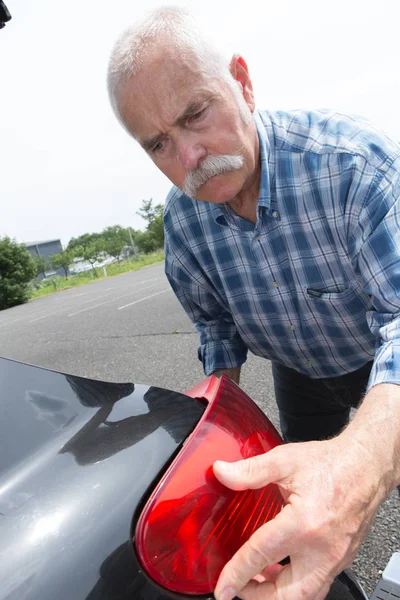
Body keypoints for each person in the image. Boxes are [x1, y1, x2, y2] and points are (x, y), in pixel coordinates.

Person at [107, 7, 400, 600]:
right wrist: (209, 424)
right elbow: (215, 326)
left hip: (377, 356)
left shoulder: (351, 167)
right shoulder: (184, 225)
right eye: (159, 143)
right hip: (297, 368)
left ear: (242, 81)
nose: (188, 156)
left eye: (195, 113)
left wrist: (367, 463)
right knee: (288, 486)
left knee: (372, 465)